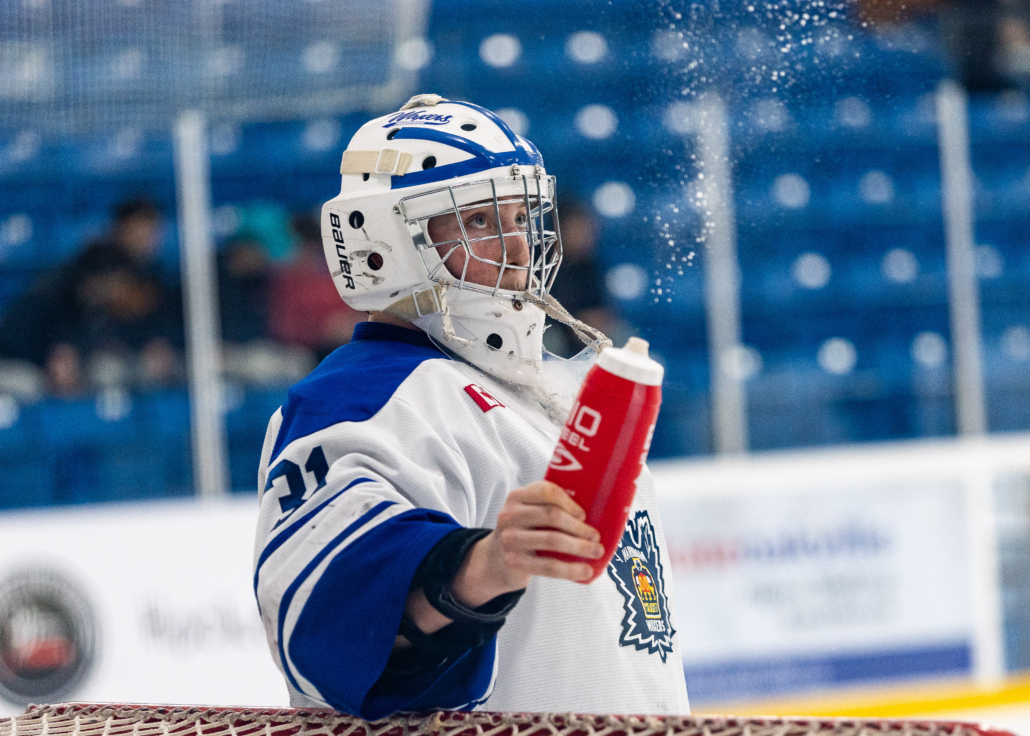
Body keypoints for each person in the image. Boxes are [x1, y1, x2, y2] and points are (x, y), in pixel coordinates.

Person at [253, 95, 690, 718]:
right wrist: (487, 563)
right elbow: (324, 616)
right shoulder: (360, 396)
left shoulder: (549, 392)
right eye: (479, 221)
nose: (515, 244)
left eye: (521, 214)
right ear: (383, 243)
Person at [0, 198, 182, 394]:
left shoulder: (152, 274)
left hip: (79, 356)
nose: (147, 239)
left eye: (153, 231)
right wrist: (61, 349)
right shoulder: (83, 273)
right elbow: (54, 330)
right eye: (140, 229)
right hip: (18, 357)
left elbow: (139, 323)